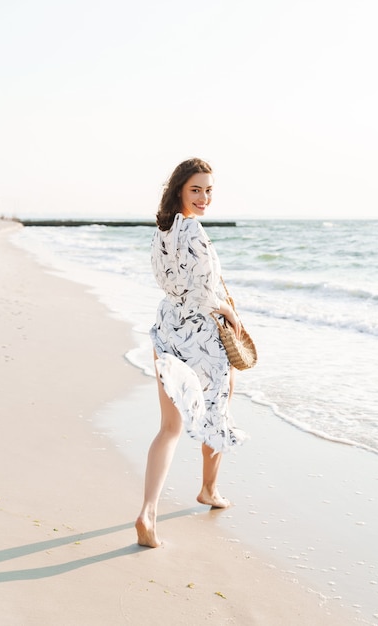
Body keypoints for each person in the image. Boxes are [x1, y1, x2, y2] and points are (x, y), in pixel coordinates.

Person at [135, 158, 248, 548]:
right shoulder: (194, 230)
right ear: (181, 189)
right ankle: (209, 490)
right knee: (217, 411)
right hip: (200, 334)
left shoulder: (162, 230)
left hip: (167, 328)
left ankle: (148, 513)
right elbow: (203, 292)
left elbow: (164, 280)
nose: (204, 197)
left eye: (209, 190)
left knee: (169, 428)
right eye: (196, 189)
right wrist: (228, 309)